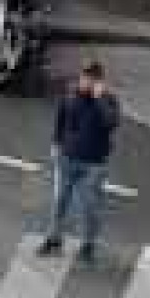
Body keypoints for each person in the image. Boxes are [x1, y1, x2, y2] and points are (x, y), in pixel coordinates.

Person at [43, 60, 120, 263]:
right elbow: (61, 119)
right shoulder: (70, 94)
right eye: (85, 76)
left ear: (99, 80)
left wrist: (99, 99)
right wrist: (56, 143)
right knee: (59, 201)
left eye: (92, 78)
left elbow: (111, 123)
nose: (87, 80)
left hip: (93, 164)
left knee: (90, 207)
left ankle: (88, 245)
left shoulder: (108, 99)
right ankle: (54, 238)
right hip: (67, 158)